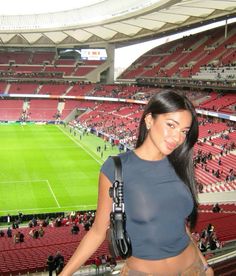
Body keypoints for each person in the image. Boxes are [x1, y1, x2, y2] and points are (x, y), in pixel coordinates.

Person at [59, 91, 214, 275]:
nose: (177, 137)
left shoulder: (180, 166)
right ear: (149, 120)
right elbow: (97, 232)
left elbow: (179, 224)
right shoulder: (116, 168)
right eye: (171, 125)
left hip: (193, 269)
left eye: (184, 131)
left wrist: (204, 266)